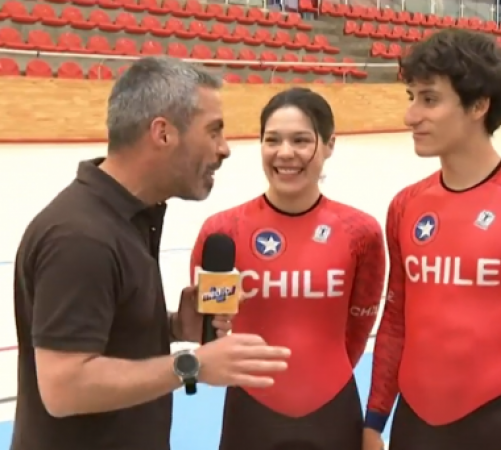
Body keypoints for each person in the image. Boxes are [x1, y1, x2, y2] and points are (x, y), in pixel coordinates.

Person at [10, 56, 291, 450]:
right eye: (213, 131)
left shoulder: (125, 218)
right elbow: (65, 387)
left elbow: (104, 336)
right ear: (163, 133)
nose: (225, 149)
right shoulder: (81, 237)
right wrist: (192, 366)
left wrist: (172, 326)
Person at [363, 29, 501, 450]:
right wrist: (374, 420)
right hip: (412, 430)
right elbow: (394, 322)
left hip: (496, 429)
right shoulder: (405, 206)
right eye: (411, 97)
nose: (410, 116)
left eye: (429, 99)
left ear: (479, 106)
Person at [190, 87, 387, 450]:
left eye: (300, 140)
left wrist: (318, 372)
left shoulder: (361, 233)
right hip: (251, 415)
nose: (284, 153)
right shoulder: (223, 232)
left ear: (329, 144)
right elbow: (209, 335)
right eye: (272, 140)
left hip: (333, 411)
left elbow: (358, 329)